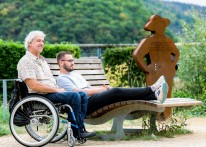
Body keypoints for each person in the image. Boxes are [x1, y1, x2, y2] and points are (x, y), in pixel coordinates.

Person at [17, 30, 95, 138]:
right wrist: (56, 90)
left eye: (43, 41)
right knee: (74, 96)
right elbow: (33, 85)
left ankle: (80, 128)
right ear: (30, 43)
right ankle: (76, 131)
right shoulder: (26, 61)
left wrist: (57, 89)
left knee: (81, 94)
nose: (42, 43)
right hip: (39, 96)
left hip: (49, 93)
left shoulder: (42, 61)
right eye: (38, 41)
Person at [56, 51, 169, 115]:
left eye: (73, 60)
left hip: (94, 98)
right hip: (86, 104)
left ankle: (154, 95)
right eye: (70, 61)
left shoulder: (76, 74)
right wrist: (101, 90)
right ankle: (151, 89)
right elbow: (79, 93)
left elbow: (88, 87)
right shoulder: (62, 79)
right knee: (116, 91)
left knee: (120, 96)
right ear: (61, 62)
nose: (73, 63)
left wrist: (101, 87)